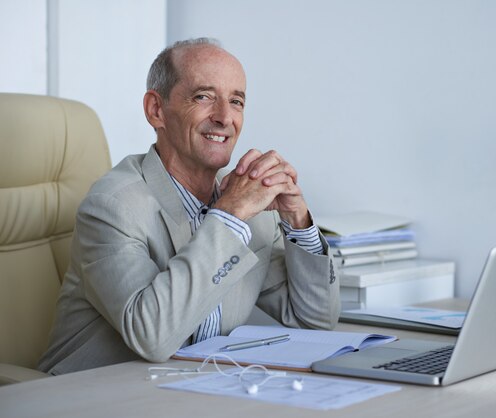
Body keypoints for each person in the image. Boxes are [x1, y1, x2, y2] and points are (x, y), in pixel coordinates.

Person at [38, 38, 340, 375]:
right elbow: (152, 337)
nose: (225, 117)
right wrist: (229, 218)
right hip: (92, 399)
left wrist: (297, 221)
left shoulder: (250, 211)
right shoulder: (111, 207)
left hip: (197, 391)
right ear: (156, 110)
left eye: (236, 101)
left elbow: (315, 319)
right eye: (204, 97)